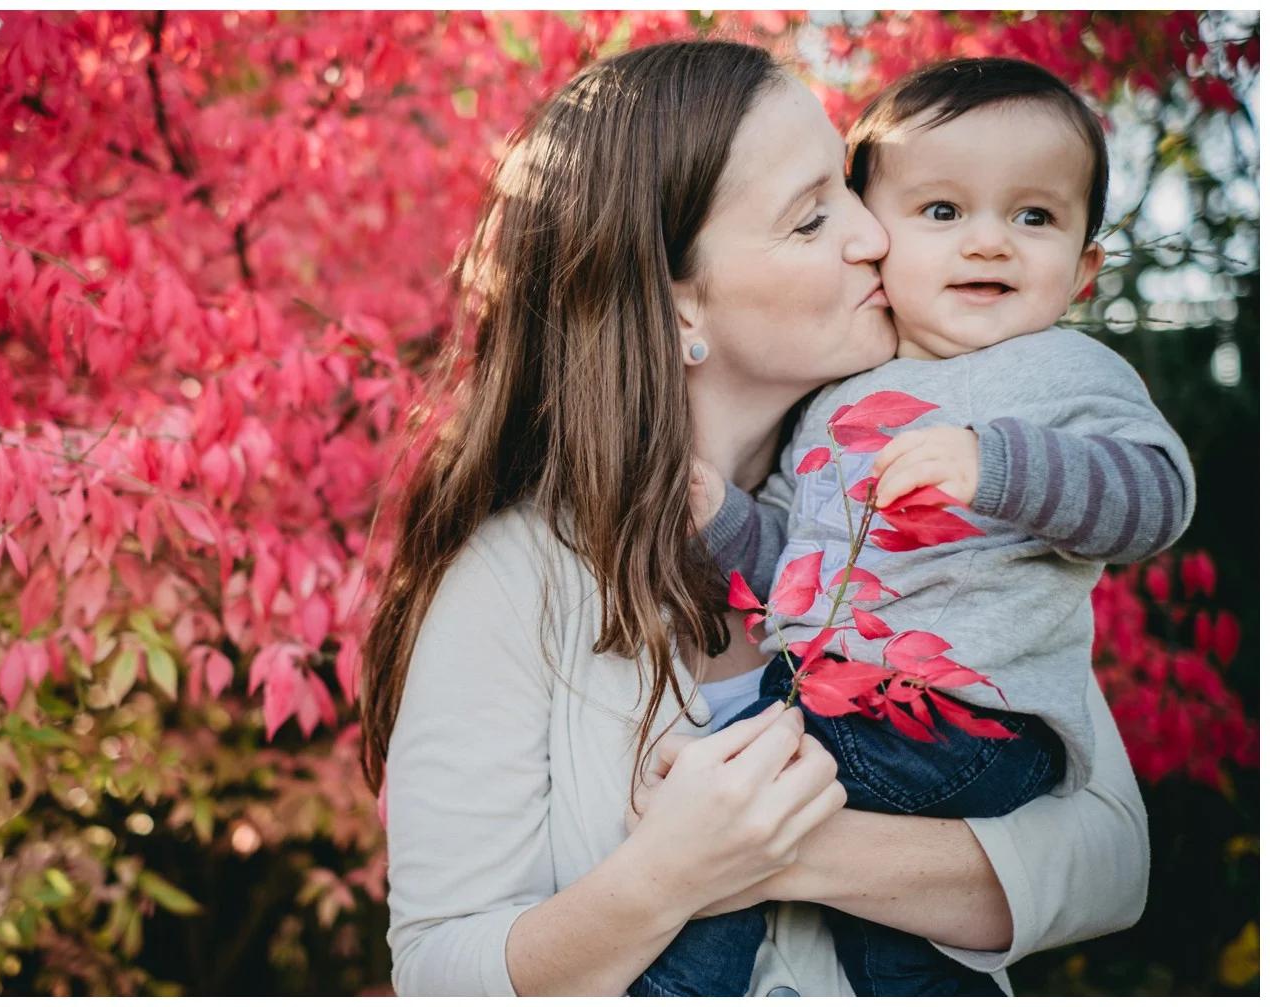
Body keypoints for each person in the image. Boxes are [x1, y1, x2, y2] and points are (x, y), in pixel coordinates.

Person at [363, 40, 1150, 997]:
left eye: (853, 191)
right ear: (677, 301)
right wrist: (669, 876)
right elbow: (441, 972)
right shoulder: (512, 580)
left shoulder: (931, 504)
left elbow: (1111, 860)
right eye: (814, 216)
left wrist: (788, 851)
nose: (875, 236)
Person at [636, 57, 1194, 998]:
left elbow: (1156, 497)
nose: (989, 245)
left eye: (1034, 217)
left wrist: (998, 467)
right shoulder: (835, 400)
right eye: (942, 212)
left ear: (1086, 268)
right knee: (897, 952)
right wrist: (721, 517)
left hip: (974, 719)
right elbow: (797, 568)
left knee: (736, 802)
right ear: (872, 235)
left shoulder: (1067, 372)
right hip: (860, 705)